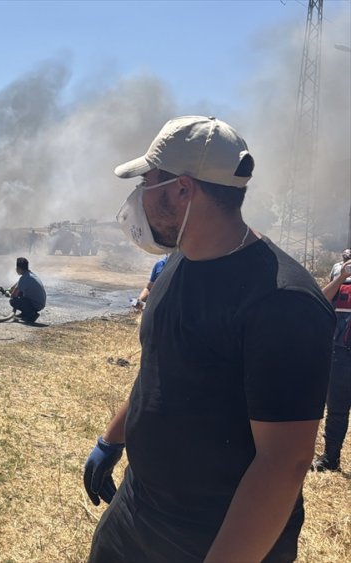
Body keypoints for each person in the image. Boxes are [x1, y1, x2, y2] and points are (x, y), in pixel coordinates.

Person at [82, 116, 333, 562]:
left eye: (148, 181)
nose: (138, 195)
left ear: (182, 189)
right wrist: (112, 439)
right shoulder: (182, 260)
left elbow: (284, 462)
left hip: (210, 536)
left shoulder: (283, 302)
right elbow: (160, 365)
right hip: (138, 512)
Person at [312, 256, 351, 472]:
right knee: (337, 409)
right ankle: (330, 458)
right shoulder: (340, 269)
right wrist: (342, 276)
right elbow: (322, 300)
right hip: (341, 354)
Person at [6, 256, 46, 323]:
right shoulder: (28, 274)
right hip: (40, 303)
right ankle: (25, 313)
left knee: (13, 301)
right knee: (20, 293)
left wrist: (9, 294)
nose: (16, 269)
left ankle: (31, 315)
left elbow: (13, 295)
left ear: (19, 269)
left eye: (17, 268)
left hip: (36, 305)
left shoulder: (24, 278)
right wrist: (9, 289)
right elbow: (18, 284)